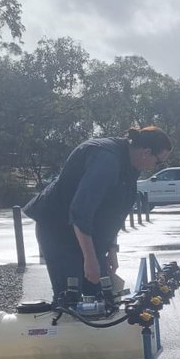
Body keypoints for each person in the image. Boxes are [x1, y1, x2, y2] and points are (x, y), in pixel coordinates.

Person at [24, 126, 172, 300]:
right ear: (146, 153)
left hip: (87, 231)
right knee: (71, 297)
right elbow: (81, 211)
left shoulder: (131, 165)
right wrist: (90, 260)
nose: (154, 167)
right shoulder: (107, 160)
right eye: (158, 162)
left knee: (103, 295)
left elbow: (115, 213)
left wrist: (111, 249)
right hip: (59, 229)